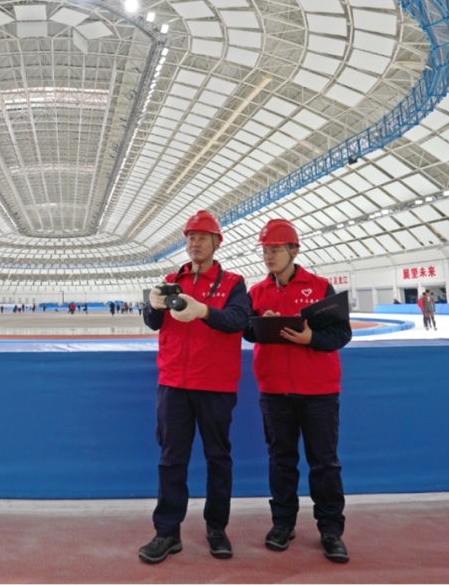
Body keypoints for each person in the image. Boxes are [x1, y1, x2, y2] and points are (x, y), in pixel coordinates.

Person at [138, 209, 253, 564]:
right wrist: (151, 305)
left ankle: (217, 528)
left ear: (217, 242)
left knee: (218, 458)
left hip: (215, 384)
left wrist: (204, 311)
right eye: (190, 237)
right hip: (173, 383)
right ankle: (167, 532)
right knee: (171, 459)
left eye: (202, 237)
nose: (195, 243)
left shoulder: (233, 283)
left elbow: (239, 321)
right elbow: (153, 322)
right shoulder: (171, 280)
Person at [244, 218, 352, 564]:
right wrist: (262, 324)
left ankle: (331, 530)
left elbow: (341, 334)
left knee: (324, 463)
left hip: (318, 390)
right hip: (274, 389)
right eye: (265, 250)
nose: (268, 256)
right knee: (281, 460)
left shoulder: (320, 287)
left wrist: (311, 339)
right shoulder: (256, 292)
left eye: (275, 249)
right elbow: (247, 332)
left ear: (293, 250)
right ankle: (283, 524)